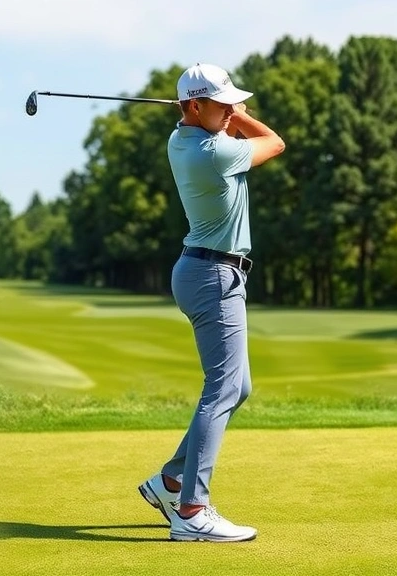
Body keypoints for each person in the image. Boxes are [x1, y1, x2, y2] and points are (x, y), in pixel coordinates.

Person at [137, 63, 285, 542]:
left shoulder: (181, 139)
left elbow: (208, 122)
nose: (229, 111)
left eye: (230, 103)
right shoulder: (212, 151)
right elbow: (276, 143)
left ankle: (171, 481)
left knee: (236, 387)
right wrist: (240, 116)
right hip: (214, 275)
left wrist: (222, 111)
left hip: (204, 270)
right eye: (220, 104)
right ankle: (192, 510)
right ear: (195, 106)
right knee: (221, 390)